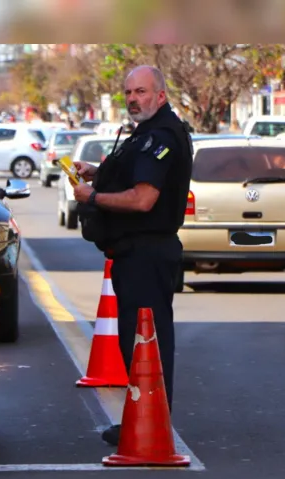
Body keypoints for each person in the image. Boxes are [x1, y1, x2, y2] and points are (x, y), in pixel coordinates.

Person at [69, 65, 194, 446]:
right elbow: (131, 176)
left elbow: (143, 199)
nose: (134, 99)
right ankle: (143, 418)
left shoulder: (163, 135)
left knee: (146, 344)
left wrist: (93, 197)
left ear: (160, 95)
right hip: (133, 253)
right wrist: (96, 173)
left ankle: (150, 424)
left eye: (141, 91)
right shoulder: (145, 134)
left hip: (147, 252)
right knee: (135, 341)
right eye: (129, 93)